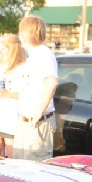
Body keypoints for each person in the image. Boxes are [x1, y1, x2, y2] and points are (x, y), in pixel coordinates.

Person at [14, 15, 58, 161]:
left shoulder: (43, 54)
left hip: (38, 123)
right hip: (27, 122)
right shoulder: (33, 55)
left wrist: (39, 111)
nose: (19, 35)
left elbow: (52, 83)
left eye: (21, 31)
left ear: (26, 33)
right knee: (20, 170)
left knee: (34, 171)